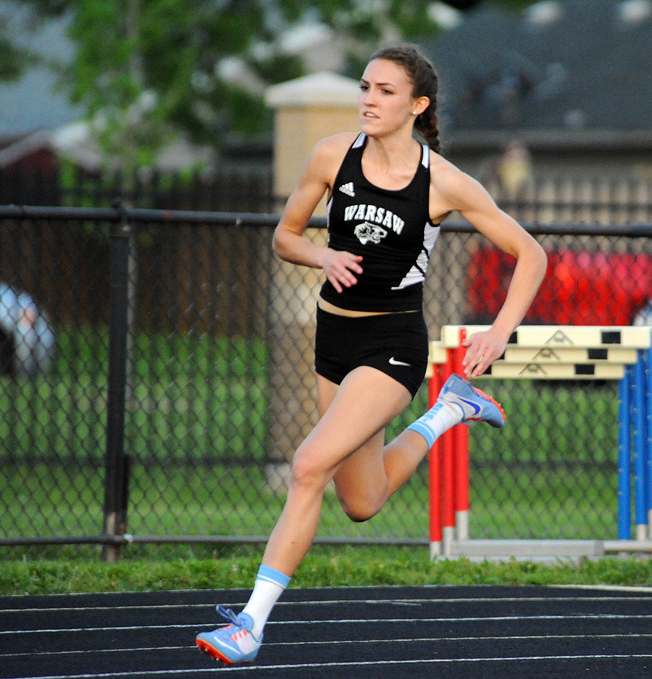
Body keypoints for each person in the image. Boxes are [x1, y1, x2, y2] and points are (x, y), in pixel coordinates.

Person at [195, 43, 547, 665]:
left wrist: (499, 331)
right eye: (365, 87)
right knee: (362, 502)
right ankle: (448, 412)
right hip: (334, 340)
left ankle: (249, 624)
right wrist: (322, 254)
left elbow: (531, 254)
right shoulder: (332, 155)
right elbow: (284, 236)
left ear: (417, 105)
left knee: (307, 466)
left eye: (385, 91)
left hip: (392, 345)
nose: (368, 99)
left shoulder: (444, 182)